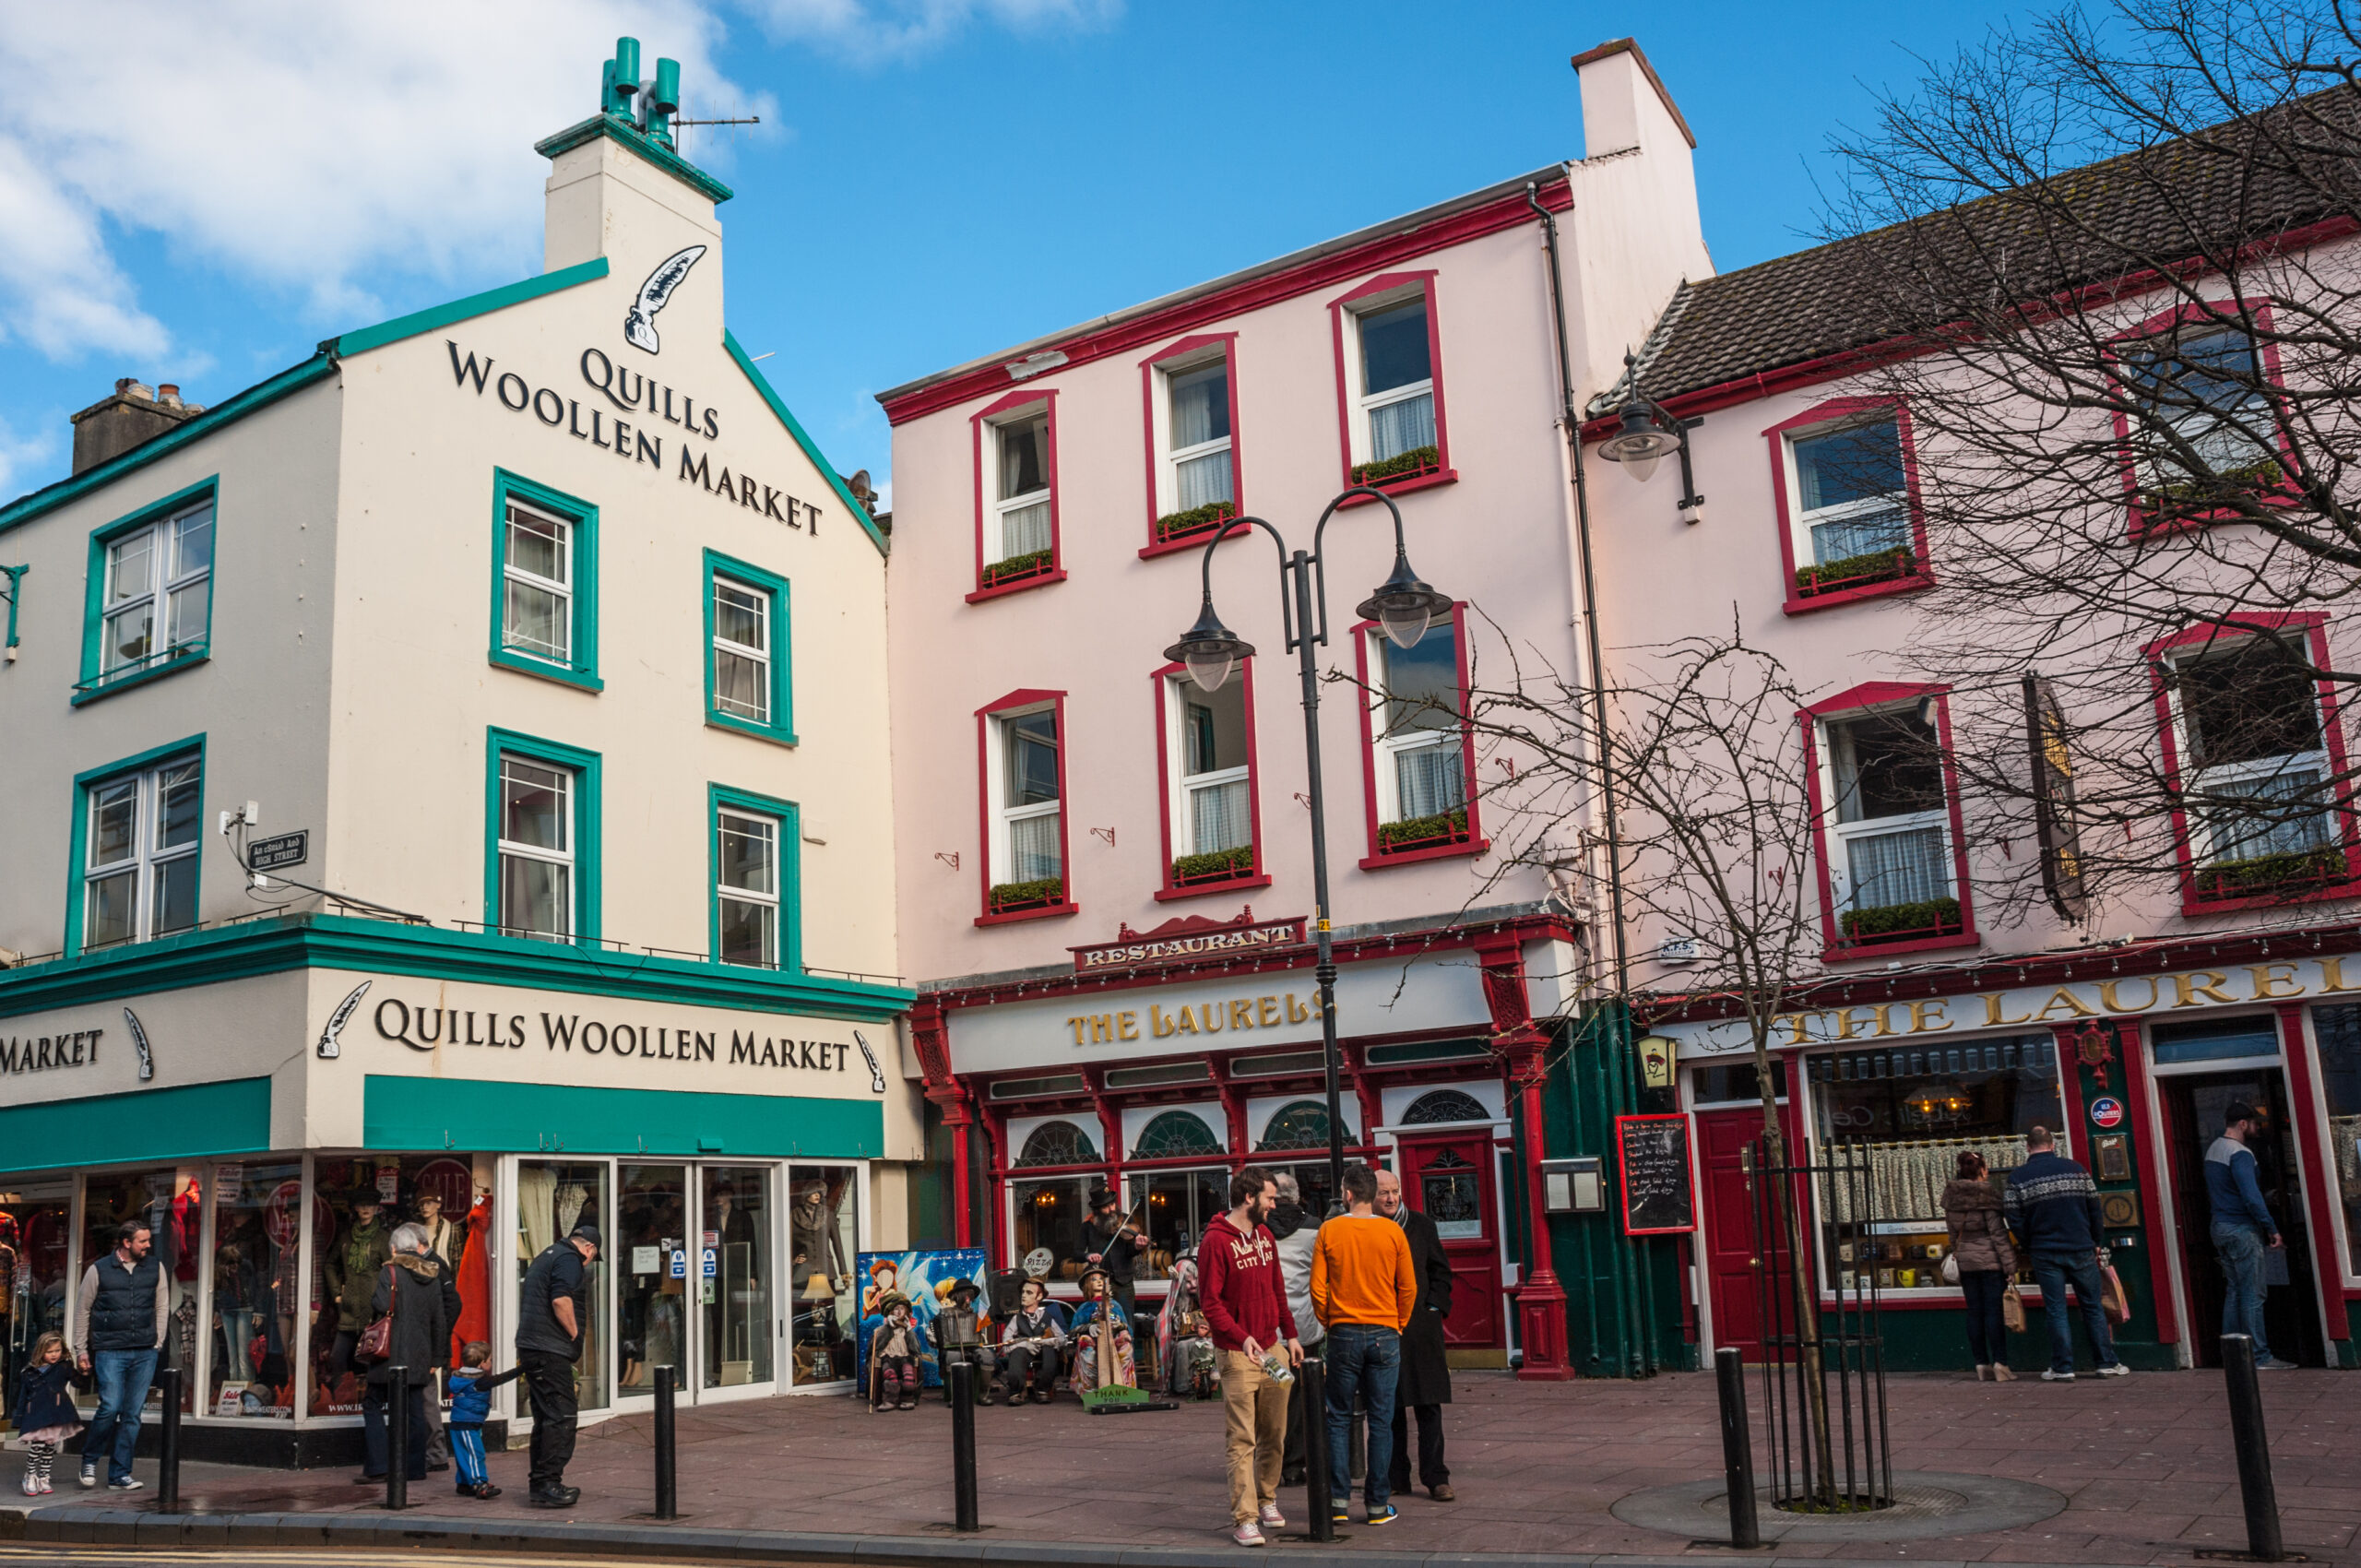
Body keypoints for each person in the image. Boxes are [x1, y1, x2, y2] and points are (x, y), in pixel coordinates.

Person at [1199, 1166, 1303, 1547]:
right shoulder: (1215, 1241)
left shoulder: (1264, 1235)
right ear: (1249, 1198)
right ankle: (1244, 1518)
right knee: (1242, 1438)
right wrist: (1241, 1338)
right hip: (1237, 1352)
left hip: (1271, 1348)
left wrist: (1289, 1334)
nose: (1274, 1205)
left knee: (1275, 1432)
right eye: (1270, 1198)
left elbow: (1278, 1288)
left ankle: (1267, 1498)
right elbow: (1210, 1303)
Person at [1311, 1162, 1417, 1528]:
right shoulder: (1392, 1233)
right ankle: (1376, 1504)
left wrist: (1329, 1321)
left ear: (1348, 1193)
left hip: (1343, 1332)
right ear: (1373, 1194)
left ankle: (1338, 1501)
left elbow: (1317, 1289)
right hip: (1385, 1331)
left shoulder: (1329, 1230)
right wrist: (1398, 1323)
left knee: (1338, 1417)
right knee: (1382, 1420)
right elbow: (1408, 1287)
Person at [2004, 1126, 2130, 1382]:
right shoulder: (2077, 1170)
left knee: (2056, 1309)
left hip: (2044, 1251)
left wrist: (2030, 1242)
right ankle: (2106, 1363)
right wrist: (2095, 1240)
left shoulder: (2018, 1178)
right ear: (2053, 1145)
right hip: (2080, 1246)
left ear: (2028, 1147)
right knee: (2093, 1306)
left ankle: (2063, 1367)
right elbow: (2095, 1209)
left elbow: (2013, 1217)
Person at [1374, 1168, 1454, 1503]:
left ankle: (1436, 1477)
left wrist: (1435, 1306)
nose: (1391, 1198)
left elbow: (1440, 1271)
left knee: (1428, 1405)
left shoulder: (1421, 1225)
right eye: (1384, 1193)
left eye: (1395, 1191)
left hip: (1421, 1328)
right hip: (1383, 1325)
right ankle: (1397, 1477)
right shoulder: (1367, 1228)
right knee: (1389, 1407)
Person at [72, 1220, 168, 1491]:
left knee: (132, 1414)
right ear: (126, 1243)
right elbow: (83, 1310)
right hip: (110, 1350)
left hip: (144, 1351)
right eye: (143, 1241)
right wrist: (81, 1349)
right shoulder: (99, 1269)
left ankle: (120, 1474)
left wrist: (157, 1342)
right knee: (110, 1406)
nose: (148, 1245)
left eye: (148, 1240)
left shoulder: (155, 1267)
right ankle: (89, 1460)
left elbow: (162, 1305)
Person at [358, 1223, 457, 1487]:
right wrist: (438, 1358)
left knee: (372, 1403)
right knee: (415, 1410)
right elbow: (439, 1320)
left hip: (389, 1354)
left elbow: (379, 1305)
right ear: (416, 1247)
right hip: (420, 1356)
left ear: (393, 1248)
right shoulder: (432, 1275)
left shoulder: (389, 1272)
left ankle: (379, 1464)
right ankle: (414, 1467)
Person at [2208, 1102, 2298, 1371]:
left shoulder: (2214, 1149)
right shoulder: (2240, 1153)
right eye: (2255, 1123)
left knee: (2235, 1291)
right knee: (2253, 1294)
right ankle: (2259, 1356)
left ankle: (2233, 1355)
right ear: (2243, 1124)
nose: (2258, 1128)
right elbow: (2251, 1195)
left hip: (2220, 1226)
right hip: (2241, 1229)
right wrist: (2272, 1228)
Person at [515, 1222, 599, 1507]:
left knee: (546, 1417)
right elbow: (562, 1300)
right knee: (562, 1416)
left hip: (532, 1346)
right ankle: (549, 1483)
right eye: (592, 1257)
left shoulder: (546, 1255)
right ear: (589, 1248)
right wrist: (575, 1335)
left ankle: (540, 1483)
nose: (588, 1264)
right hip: (549, 1349)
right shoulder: (569, 1259)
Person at [1942, 1150, 2019, 1382]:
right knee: (1993, 1313)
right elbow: (1998, 1236)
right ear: (1983, 1169)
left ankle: (1981, 1364)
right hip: (1990, 1263)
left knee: (1974, 1313)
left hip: (1966, 1263)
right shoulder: (1988, 1195)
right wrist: (2010, 1267)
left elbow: (1953, 1235)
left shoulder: (1952, 1197)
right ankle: (2001, 1365)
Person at [1268, 1173, 1322, 1488]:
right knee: (1300, 1397)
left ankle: (1271, 1462)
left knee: (1272, 1394)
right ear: (1298, 1195)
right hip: (1303, 1329)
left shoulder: (1257, 1228)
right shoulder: (1314, 1227)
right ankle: (1294, 1464)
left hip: (1266, 1330)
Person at [322, 1196, 393, 1394]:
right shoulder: (346, 1237)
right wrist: (337, 1291)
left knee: (372, 1356)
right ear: (355, 1207)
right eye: (362, 1204)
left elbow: (391, 1269)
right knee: (338, 1356)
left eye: (370, 1204)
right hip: (349, 1306)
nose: (366, 1208)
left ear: (377, 1208)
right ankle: (344, 1398)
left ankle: (373, 1399)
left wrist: (384, 1298)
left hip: (373, 1308)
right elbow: (330, 1264)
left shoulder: (383, 1237)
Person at [445, 1341, 523, 1499]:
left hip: (457, 1422)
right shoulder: (479, 1381)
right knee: (476, 1454)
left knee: (463, 1454)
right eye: (489, 1360)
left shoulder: (458, 1376)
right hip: (469, 1423)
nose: (491, 1363)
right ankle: (480, 1484)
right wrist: (521, 1369)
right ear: (481, 1364)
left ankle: (464, 1484)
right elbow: (500, 1379)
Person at [12, 1332, 80, 1496]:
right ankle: (30, 1476)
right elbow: (23, 1396)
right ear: (41, 1352)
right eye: (50, 1352)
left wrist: (83, 1371)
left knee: (50, 1447)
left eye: (57, 1350)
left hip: (55, 1413)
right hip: (36, 1414)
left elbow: (78, 1382)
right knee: (37, 1446)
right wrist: (18, 1418)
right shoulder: (29, 1372)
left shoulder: (64, 1367)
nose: (54, 1354)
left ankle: (43, 1477)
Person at [1074, 1189, 1146, 1324]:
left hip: (1123, 1282)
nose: (1111, 1209)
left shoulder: (1126, 1220)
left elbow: (1129, 1252)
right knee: (1099, 1321)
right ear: (1097, 1210)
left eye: (1112, 1204)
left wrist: (1137, 1247)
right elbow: (1076, 1253)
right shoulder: (1088, 1226)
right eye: (1106, 1207)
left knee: (1126, 1322)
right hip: (1098, 1283)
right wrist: (1088, 1256)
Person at [997, 1277, 1066, 1404]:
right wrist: (1024, 1344)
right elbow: (1006, 1345)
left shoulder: (1047, 1317)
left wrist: (1046, 1342)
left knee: (1049, 1351)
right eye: (1023, 1292)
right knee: (1018, 1352)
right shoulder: (1016, 1319)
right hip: (1024, 1352)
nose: (1023, 1296)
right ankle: (1016, 1391)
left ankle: (1042, 1389)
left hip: (1043, 1349)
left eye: (1029, 1293)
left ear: (1039, 1297)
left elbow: (1062, 1340)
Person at [931, 1277, 997, 1404]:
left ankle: (982, 1396)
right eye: (965, 1294)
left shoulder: (976, 1315)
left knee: (987, 1356)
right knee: (952, 1357)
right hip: (953, 1347)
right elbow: (937, 1335)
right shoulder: (945, 1313)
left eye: (970, 1294)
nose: (968, 1297)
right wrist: (940, 1341)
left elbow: (982, 1335)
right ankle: (955, 1397)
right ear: (957, 1295)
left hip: (973, 1347)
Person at [1068, 1265, 1134, 1391]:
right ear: (1087, 1285)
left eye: (1101, 1279)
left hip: (1113, 1342)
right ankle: (1091, 1389)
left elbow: (1129, 1329)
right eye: (1094, 1279)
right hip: (1093, 1343)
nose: (1099, 1281)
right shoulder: (1085, 1307)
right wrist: (1088, 1328)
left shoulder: (1115, 1305)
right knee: (1085, 1344)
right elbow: (1072, 1331)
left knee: (1126, 1342)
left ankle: (1122, 1384)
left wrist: (1120, 1326)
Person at [869, 1292, 925, 1410]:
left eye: (902, 1309)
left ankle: (907, 1399)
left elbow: (914, 1348)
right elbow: (876, 1347)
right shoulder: (883, 1330)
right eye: (896, 1309)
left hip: (905, 1358)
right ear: (891, 1312)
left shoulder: (907, 1330)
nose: (899, 1312)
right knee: (890, 1375)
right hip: (888, 1359)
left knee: (908, 1375)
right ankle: (890, 1401)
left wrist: (909, 1331)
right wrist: (887, 1328)